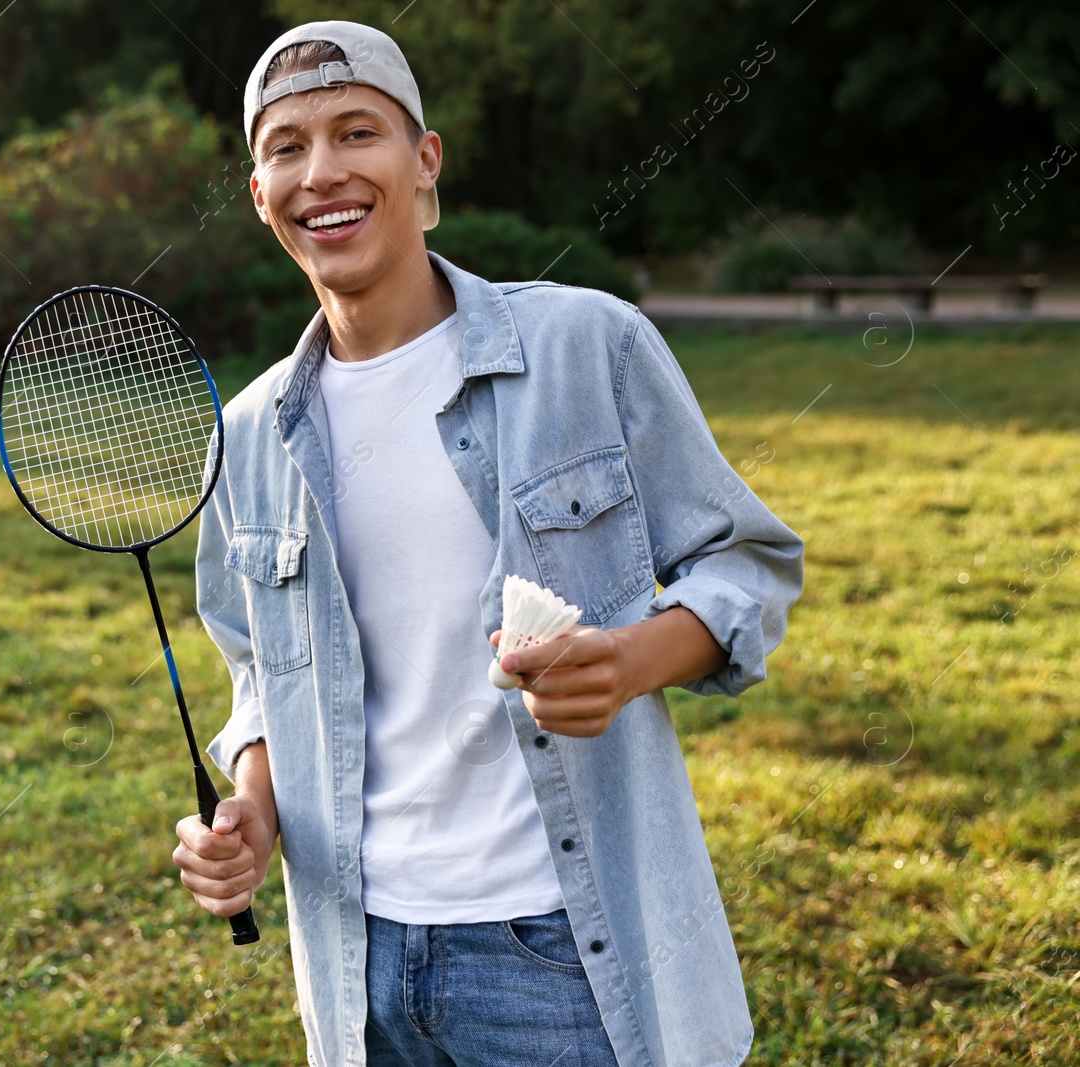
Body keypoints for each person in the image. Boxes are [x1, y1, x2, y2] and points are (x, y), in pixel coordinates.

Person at [172, 19, 803, 1067]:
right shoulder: (246, 435)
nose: (321, 170)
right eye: (286, 146)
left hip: (558, 943)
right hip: (356, 956)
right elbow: (258, 674)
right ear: (258, 194)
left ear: (423, 167)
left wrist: (630, 661)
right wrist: (249, 810)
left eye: (356, 131)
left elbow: (745, 559)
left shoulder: (583, 345)